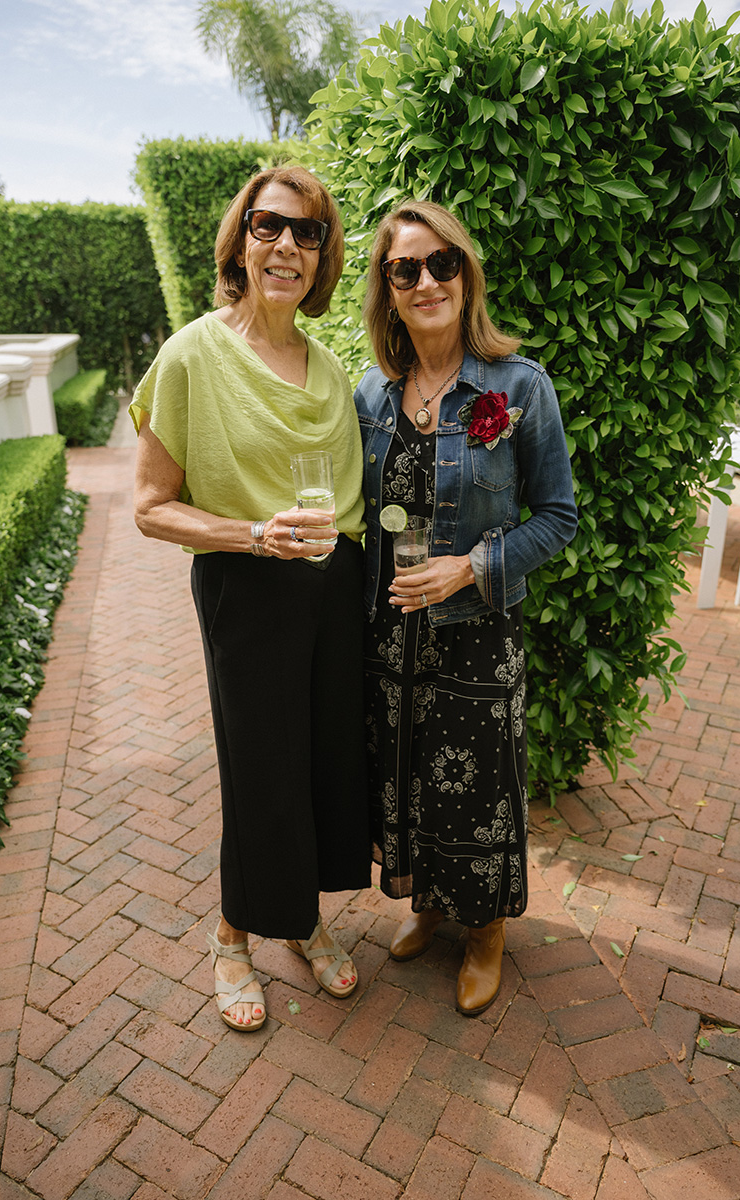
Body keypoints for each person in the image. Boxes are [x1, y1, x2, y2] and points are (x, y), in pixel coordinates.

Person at [130, 166, 370, 1031]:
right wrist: (253, 534)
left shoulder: (330, 367)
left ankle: (301, 921)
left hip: (332, 585)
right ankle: (232, 936)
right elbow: (151, 507)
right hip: (248, 582)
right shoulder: (192, 354)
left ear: (322, 256)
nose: (288, 246)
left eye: (308, 233)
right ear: (241, 241)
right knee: (261, 768)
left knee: (323, 762)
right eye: (271, 226)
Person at [355, 200, 578, 1016]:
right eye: (405, 269)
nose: (426, 281)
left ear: (465, 274)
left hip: (478, 628)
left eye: (440, 263)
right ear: (388, 289)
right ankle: (430, 902)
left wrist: (469, 568)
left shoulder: (518, 387)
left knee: (478, 785)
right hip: (394, 631)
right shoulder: (372, 395)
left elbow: (558, 517)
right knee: (409, 771)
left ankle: (485, 931)